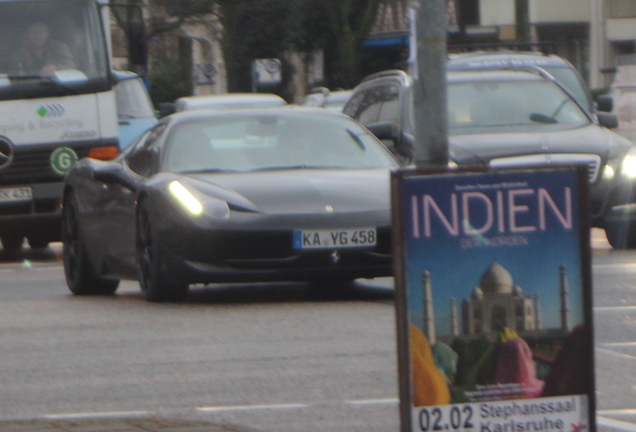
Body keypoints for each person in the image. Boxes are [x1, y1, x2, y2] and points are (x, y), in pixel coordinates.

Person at [11, 21, 75, 75]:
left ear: (48, 33)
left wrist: (55, 67)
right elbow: (13, 73)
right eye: (33, 32)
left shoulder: (59, 47)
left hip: (56, 85)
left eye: (41, 32)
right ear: (27, 35)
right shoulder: (20, 52)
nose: (37, 36)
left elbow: (72, 65)